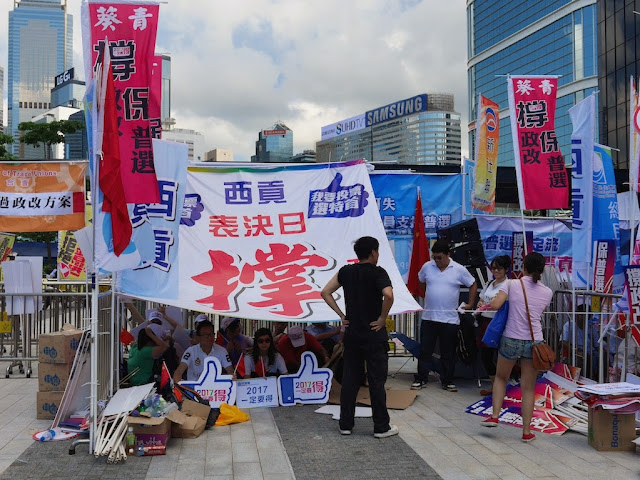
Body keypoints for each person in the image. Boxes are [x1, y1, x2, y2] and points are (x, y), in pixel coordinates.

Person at [321, 235, 398, 439]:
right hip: (374, 335)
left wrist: (341, 315)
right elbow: (389, 295)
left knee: (350, 381)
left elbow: (325, 292)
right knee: (376, 381)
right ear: (373, 252)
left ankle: (346, 424)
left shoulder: (346, 271)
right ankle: (381, 427)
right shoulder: (378, 272)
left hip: (353, 334)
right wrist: (382, 318)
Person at [481, 252, 553, 443]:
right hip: (535, 342)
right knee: (528, 388)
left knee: (501, 377)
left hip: (511, 338)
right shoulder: (547, 292)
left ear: (524, 268)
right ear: (542, 270)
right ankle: (526, 432)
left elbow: (495, 305)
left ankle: (495, 416)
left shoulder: (512, 284)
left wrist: (484, 305)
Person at [412, 240, 477, 392]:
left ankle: (447, 380)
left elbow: (472, 283)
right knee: (425, 350)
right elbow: (421, 281)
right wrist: (429, 294)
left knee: (448, 352)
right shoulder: (427, 266)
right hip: (429, 317)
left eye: (440, 257)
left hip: (449, 318)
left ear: (448, 255)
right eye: (434, 257)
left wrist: (470, 304)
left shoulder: (459, 269)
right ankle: (421, 378)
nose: (437, 261)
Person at [476, 255, 511, 396]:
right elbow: (482, 298)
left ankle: (503, 386)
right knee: (486, 356)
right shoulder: (489, 283)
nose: (496, 271)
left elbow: (500, 304)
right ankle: (494, 385)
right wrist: (480, 304)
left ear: (506, 269)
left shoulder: (508, 285)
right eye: (494, 268)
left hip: (499, 323)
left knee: (501, 356)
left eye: (499, 268)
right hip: (485, 322)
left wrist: (490, 305)